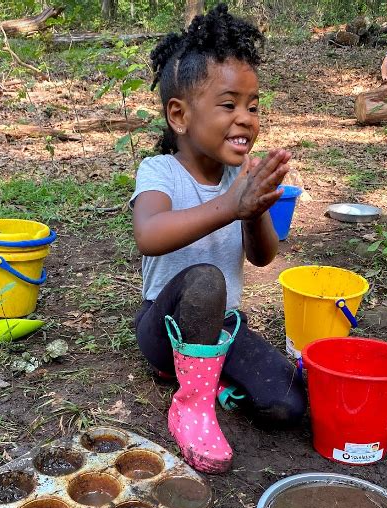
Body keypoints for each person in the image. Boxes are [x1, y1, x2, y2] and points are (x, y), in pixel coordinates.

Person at [130, 3, 307, 474]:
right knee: (205, 279)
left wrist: (255, 210)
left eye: (253, 106)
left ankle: (216, 383)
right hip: (162, 328)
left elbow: (263, 256)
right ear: (180, 115)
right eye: (229, 104)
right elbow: (149, 235)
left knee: (287, 403)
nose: (246, 118)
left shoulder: (238, 179)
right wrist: (230, 205)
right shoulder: (160, 171)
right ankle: (191, 404)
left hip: (223, 328)